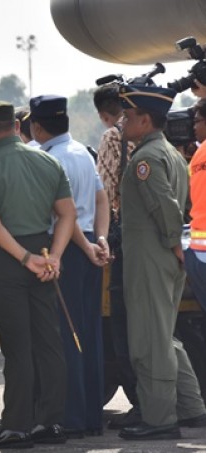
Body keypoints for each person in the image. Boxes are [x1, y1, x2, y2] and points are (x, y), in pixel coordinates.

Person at [0, 101, 76, 449]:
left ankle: (16, 426)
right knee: (49, 342)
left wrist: (24, 257)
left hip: (9, 260)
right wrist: (55, 256)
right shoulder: (48, 160)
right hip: (45, 254)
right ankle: (50, 422)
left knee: (17, 347)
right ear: (17, 127)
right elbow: (67, 215)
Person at [117, 84, 206, 441]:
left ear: (144, 120)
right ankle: (191, 407)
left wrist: (173, 243)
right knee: (163, 336)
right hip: (162, 257)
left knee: (149, 341)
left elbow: (165, 206)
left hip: (150, 257)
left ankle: (159, 418)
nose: (123, 122)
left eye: (127, 116)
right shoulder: (168, 151)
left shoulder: (145, 159)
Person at [29, 94, 110, 438]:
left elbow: (66, 215)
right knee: (89, 334)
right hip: (89, 244)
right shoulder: (81, 152)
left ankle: (72, 416)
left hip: (68, 247)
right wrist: (101, 240)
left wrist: (86, 246)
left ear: (36, 126)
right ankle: (92, 415)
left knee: (67, 336)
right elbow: (101, 198)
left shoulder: (49, 160)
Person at [92, 84, 140, 429]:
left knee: (123, 324)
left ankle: (142, 405)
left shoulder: (113, 137)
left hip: (124, 236)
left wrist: (103, 237)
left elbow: (107, 193)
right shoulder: (155, 136)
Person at [185, 98, 206, 346]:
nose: (193, 126)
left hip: (198, 252)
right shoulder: (198, 152)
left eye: (197, 121)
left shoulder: (198, 155)